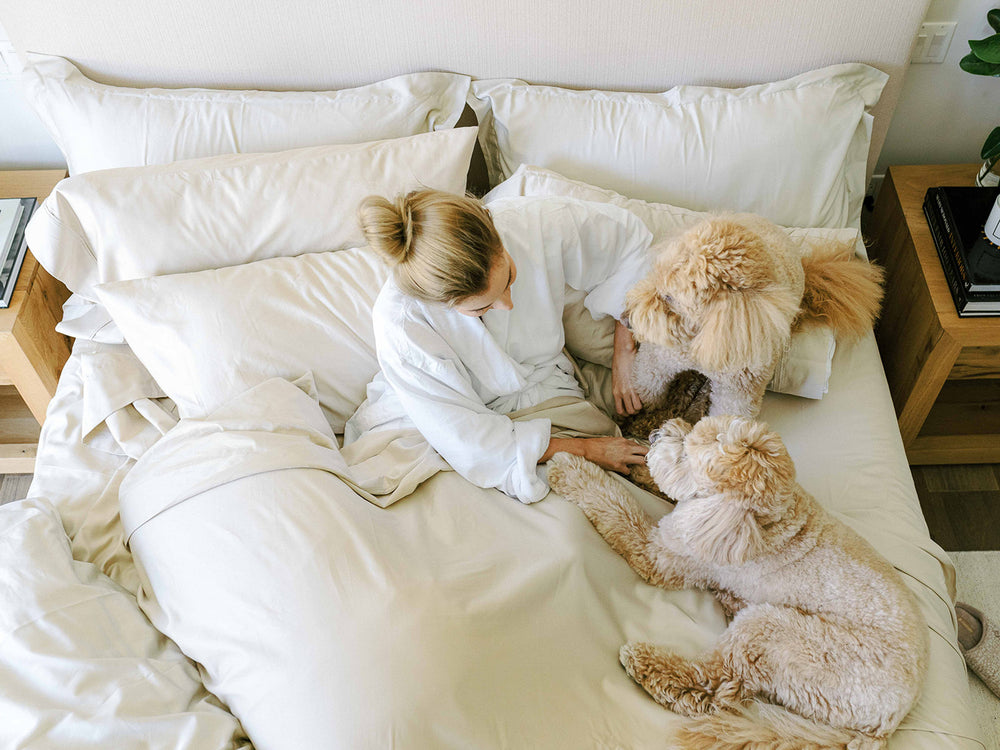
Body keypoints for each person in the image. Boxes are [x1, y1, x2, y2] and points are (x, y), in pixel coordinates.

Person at [343, 189, 653, 504]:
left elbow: (630, 244)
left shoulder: (530, 221)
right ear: (443, 305)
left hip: (547, 380)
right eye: (482, 307)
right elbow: (471, 444)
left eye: (509, 278)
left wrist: (624, 349)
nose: (507, 305)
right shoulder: (402, 324)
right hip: (459, 413)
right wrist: (585, 449)